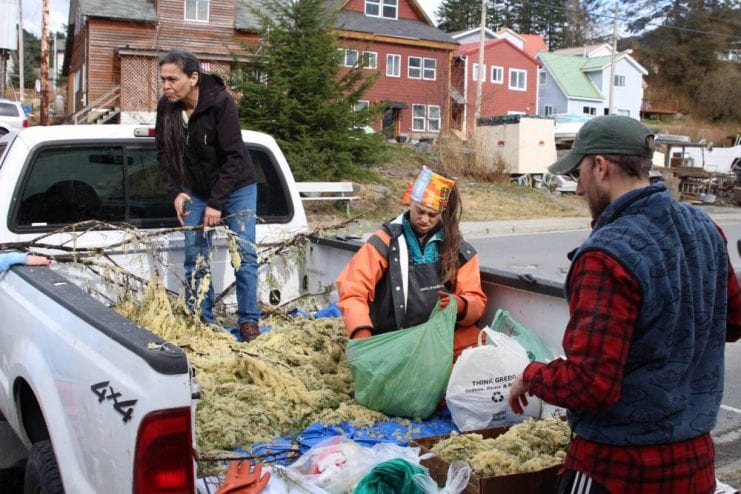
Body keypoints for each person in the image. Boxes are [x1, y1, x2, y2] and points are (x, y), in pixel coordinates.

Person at [507, 115, 741, 494]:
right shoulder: (704, 227)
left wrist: (529, 375)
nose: (579, 188)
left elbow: (590, 385)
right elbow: (732, 321)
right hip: (694, 463)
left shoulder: (605, 255)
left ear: (600, 166)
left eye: (579, 173)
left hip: (616, 468)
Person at [155, 49, 260, 341]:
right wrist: (176, 192)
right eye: (162, 79)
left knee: (244, 255)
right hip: (196, 190)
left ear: (193, 77)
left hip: (237, 186)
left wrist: (217, 203)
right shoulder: (166, 108)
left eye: (172, 79)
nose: (166, 86)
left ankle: (249, 321)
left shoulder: (220, 103)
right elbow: (163, 156)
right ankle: (203, 320)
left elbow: (235, 157)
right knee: (196, 255)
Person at [336, 166, 487, 359]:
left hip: (439, 338)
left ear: (444, 213)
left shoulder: (460, 251)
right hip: (393, 337)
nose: (424, 219)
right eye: (419, 211)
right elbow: (353, 288)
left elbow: (476, 298)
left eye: (432, 215)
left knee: (481, 351)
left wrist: (462, 305)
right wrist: (362, 333)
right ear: (411, 204)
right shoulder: (385, 241)